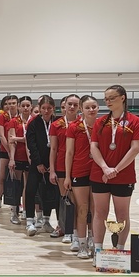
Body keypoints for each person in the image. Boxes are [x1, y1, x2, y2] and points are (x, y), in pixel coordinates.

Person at [90, 85, 139, 257]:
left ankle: (120, 250)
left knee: (122, 214)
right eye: (106, 99)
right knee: (100, 213)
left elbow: (135, 149)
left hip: (124, 175)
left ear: (122, 98)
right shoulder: (100, 122)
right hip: (100, 175)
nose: (108, 102)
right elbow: (93, 147)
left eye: (112, 98)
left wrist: (116, 170)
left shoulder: (135, 121)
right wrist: (105, 168)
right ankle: (98, 250)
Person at [64, 95, 100, 259]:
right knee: (82, 209)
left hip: (98, 172)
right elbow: (69, 152)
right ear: (81, 109)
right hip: (79, 171)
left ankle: (94, 240)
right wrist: (67, 176)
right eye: (87, 107)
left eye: (94, 107)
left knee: (96, 209)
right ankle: (82, 245)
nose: (91, 110)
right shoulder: (74, 127)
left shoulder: (102, 125)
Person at [49, 94, 81, 242]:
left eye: (75, 104)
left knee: (79, 202)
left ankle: (77, 232)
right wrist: (52, 170)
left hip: (79, 166)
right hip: (62, 166)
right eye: (70, 104)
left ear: (79, 107)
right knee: (66, 199)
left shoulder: (83, 123)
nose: (72, 107)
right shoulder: (56, 125)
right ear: (65, 105)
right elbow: (53, 149)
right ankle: (66, 229)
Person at [24, 95, 54, 236]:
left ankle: (46, 221)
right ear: (40, 109)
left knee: (49, 192)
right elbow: (31, 144)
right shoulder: (34, 123)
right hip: (37, 164)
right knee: (31, 190)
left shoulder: (57, 122)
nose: (46, 111)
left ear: (53, 108)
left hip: (52, 165)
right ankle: (30, 221)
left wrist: (53, 164)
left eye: (49, 108)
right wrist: (38, 163)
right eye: (43, 108)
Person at [6, 96, 34, 226]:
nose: (25, 108)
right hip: (17, 157)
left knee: (28, 187)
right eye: (23, 106)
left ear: (31, 106)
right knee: (16, 187)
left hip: (30, 158)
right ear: (19, 107)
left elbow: (31, 139)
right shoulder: (14, 121)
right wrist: (11, 159)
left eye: (28, 105)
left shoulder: (34, 121)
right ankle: (14, 213)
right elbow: (11, 141)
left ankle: (26, 211)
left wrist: (19, 138)